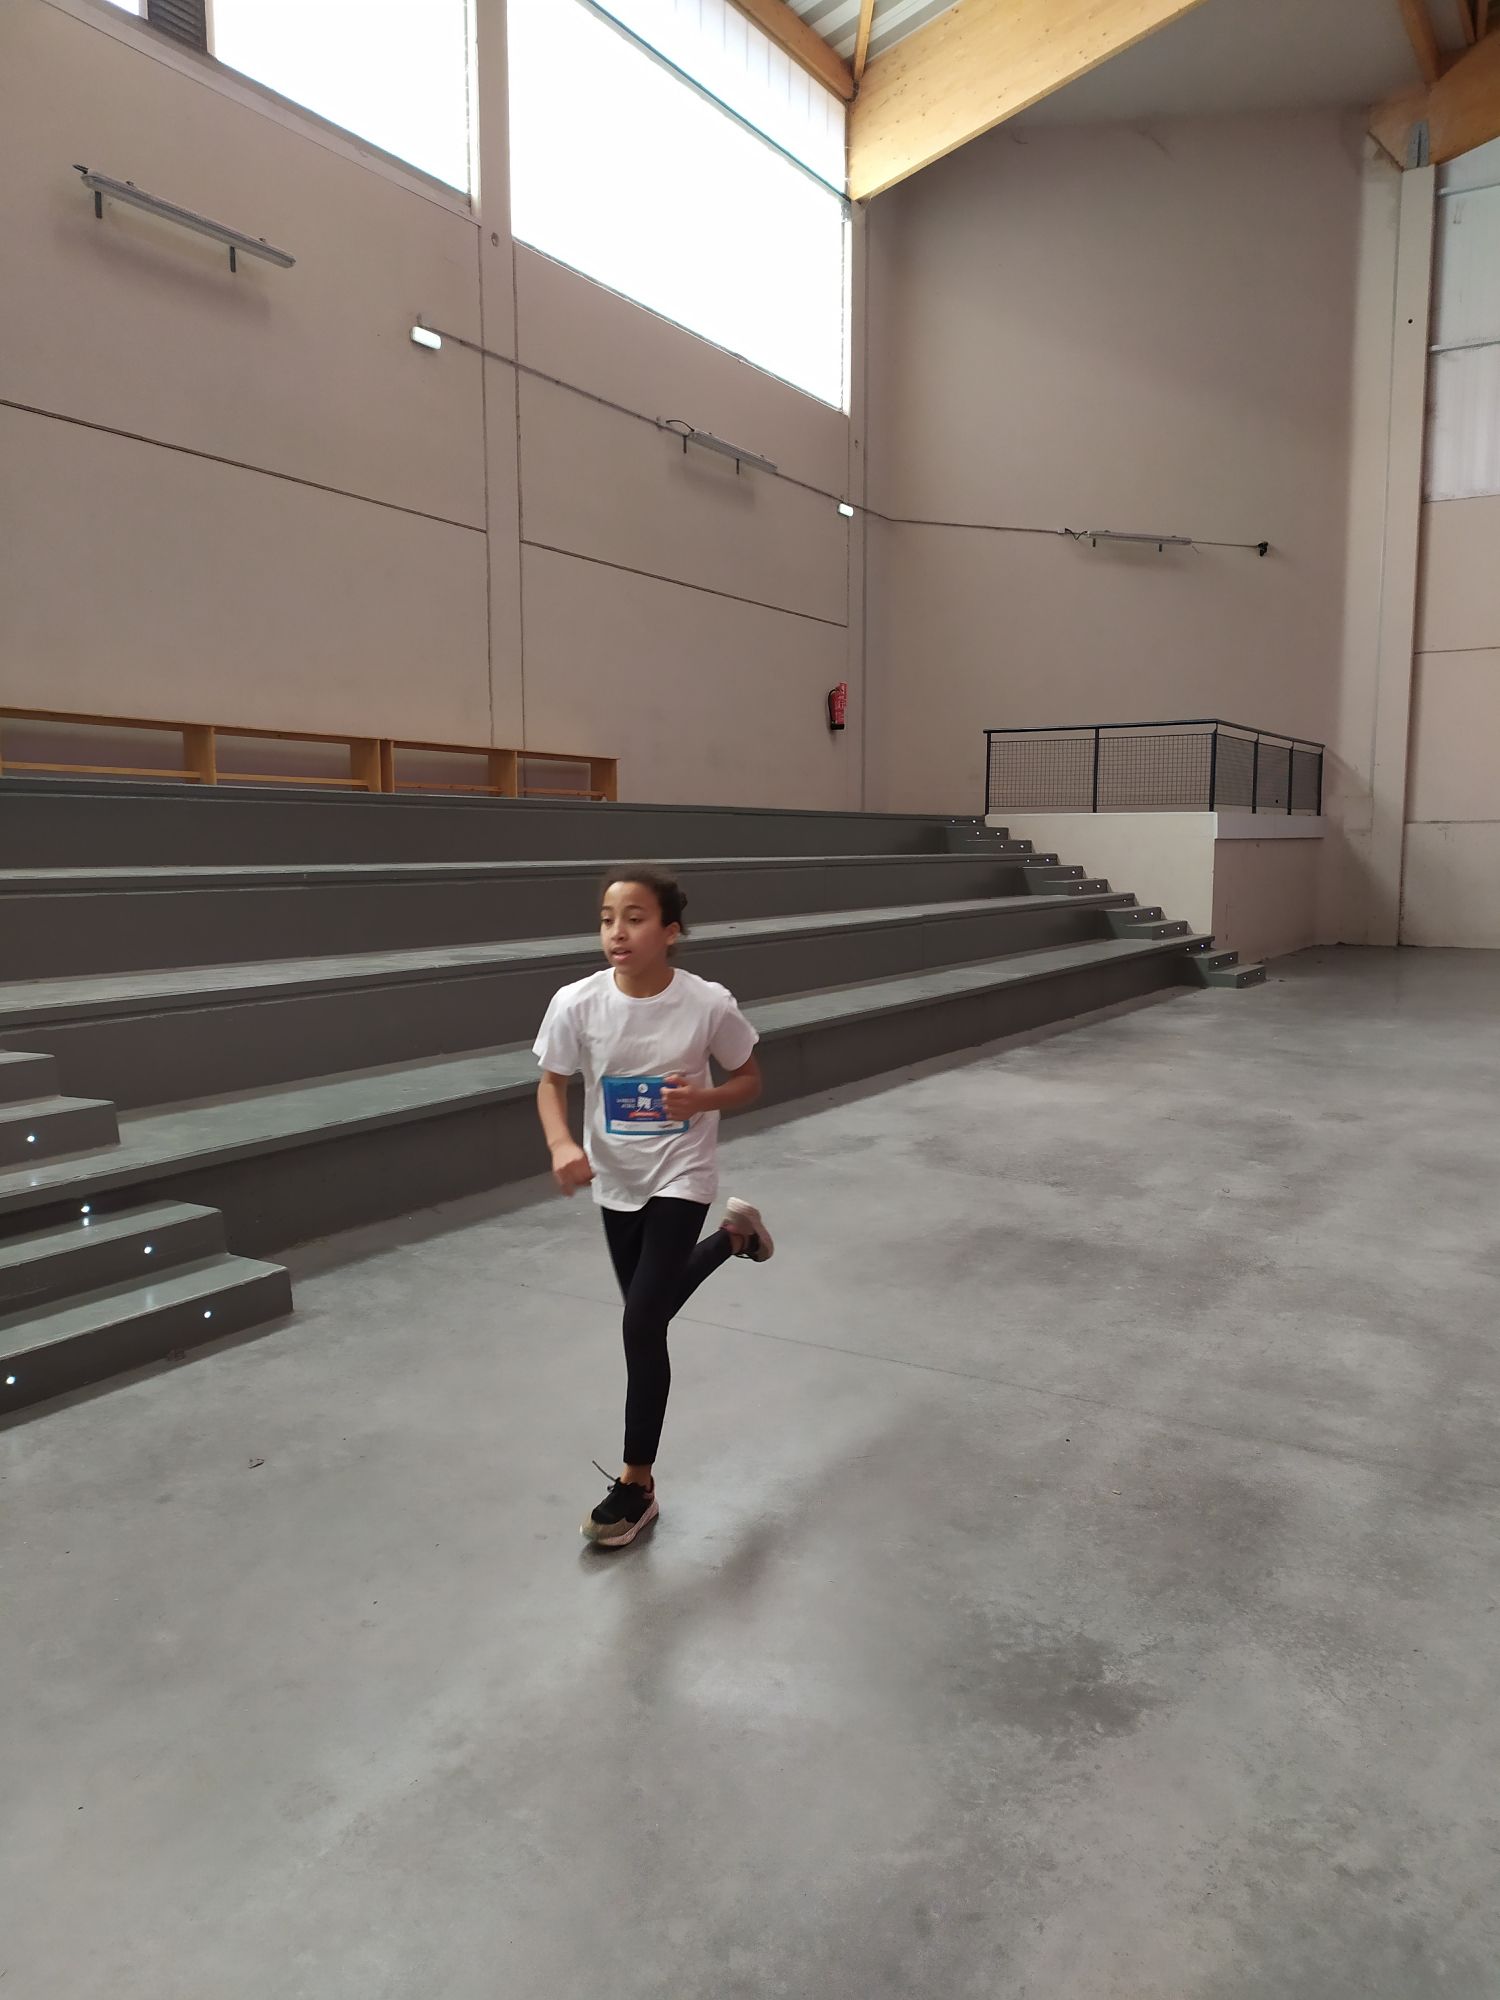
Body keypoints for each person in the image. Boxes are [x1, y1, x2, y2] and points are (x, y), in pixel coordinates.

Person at [533, 865, 774, 1549]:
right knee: (652, 1309)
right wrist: (560, 1144)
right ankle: (734, 1238)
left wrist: (703, 1099)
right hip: (616, 1179)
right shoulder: (576, 1003)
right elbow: (551, 1082)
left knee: (641, 1322)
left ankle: (637, 1484)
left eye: (635, 918)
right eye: (607, 919)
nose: (617, 931)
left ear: (671, 931)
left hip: (682, 1172)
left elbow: (749, 1078)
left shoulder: (707, 1004)